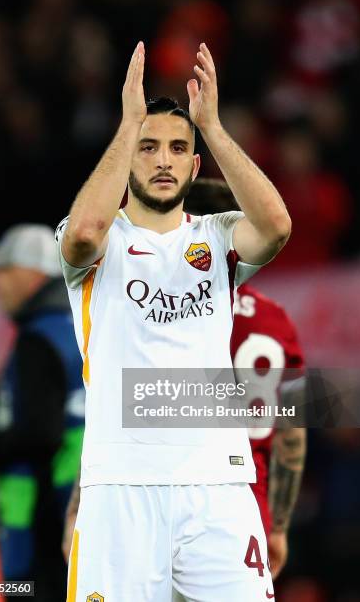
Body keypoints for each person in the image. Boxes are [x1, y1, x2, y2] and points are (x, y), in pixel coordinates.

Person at [57, 41, 291, 601]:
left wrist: (210, 126)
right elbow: (84, 235)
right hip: (121, 486)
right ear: (126, 153)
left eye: (178, 149)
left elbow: (277, 226)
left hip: (219, 485)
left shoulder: (215, 236)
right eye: (148, 147)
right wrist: (129, 121)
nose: (163, 159)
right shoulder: (94, 238)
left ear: (194, 165)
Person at [187, 178, 307, 580]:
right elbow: (292, 430)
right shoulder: (277, 320)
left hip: (173, 499)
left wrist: (79, 506)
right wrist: (279, 525)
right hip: (248, 508)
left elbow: (118, 410)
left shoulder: (162, 312)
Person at [0, 225, 85, 602]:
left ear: (32, 274)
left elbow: (39, 432)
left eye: (3, 269)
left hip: (42, 517)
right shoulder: (82, 329)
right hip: (81, 514)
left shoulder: (38, 338)